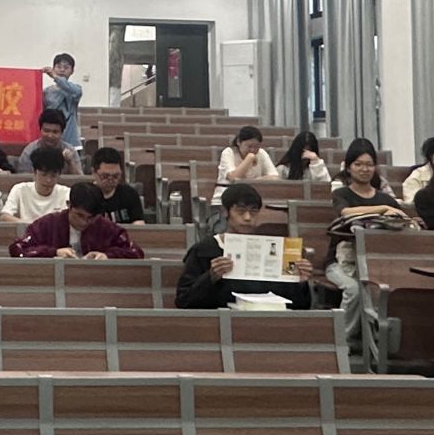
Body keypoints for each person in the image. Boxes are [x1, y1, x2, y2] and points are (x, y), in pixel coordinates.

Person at [176, 184, 316, 310]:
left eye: (253, 211)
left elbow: (300, 306)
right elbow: (184, 301)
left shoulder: (273, 251)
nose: (247, 217)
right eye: (240, 211)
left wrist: (300, 283)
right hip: (222, 321)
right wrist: (210, 277)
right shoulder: (204, 250)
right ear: (225, 211)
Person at [325, 141, 407, 341]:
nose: (364, 169)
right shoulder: (341, 194)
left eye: (369, 165)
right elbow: (346, 213)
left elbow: (403, 220)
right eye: (358, 164)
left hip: (377, 263)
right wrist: (382, 210)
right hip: (339, 263)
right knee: (353, 289)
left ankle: (378, 340)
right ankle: (340, 342)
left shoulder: (385, 199)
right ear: (348, 167)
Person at [10, 183, 143, 259]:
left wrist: (107, 255)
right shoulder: (47, 224)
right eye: (79, 215)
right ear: (69, 205)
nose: (84, 222)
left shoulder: (106, 227)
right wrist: (53, 252)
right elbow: (17, 249)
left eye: (91, 218)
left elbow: (136, 252)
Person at [1, 146, 73, 222]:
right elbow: (4, 216)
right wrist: (32, 225)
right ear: (35, 172)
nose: (48, 180)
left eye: (53, 176)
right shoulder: (19, 189)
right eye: (44, 175)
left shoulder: (66, 193)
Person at [12, 110, 85, 176]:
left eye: (55, 132)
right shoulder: (29, 151)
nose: (50, 136)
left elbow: (80, 179)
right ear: (40, 130)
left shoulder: (70, 150)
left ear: (62, 133)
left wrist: (70, 162)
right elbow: (23, 178)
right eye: (46, 131)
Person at [84, 146, 144, 224]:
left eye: (116, 176)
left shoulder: (129, 194)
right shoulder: (85, 195)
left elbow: (139, 224)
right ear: (93, 172)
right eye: (105, 176)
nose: (110, 180)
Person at [42, 53, 84, 151]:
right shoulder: (47, 91)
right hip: (50, 141)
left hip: (70, 142)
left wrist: (55, 77)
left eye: (66, 67)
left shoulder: (75, 89)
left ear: (72, 71)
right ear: (53, 68)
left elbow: (75, 91)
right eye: (58, 67)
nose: (62, 70)